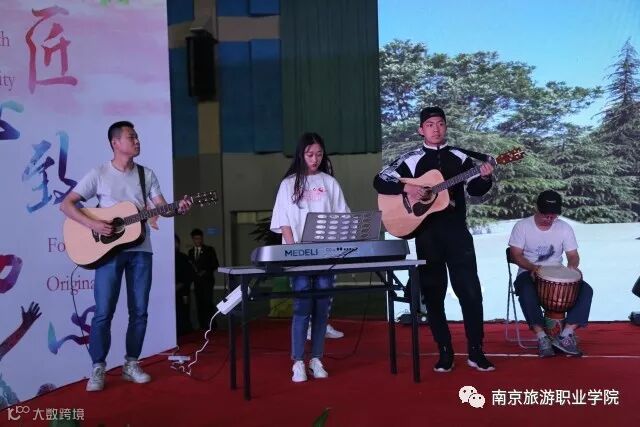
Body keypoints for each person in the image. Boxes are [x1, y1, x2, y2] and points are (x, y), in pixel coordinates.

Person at [60, 121, 192, 392]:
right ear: (115, 143)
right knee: (103, 312)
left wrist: (178, 208)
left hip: (141, 251)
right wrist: (93, 224)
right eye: (132, 137)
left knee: (139, 311)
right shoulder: (99, 174)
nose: (137, 141)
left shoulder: (146, 174)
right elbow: (67, 204)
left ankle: (131, 363)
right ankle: (98, 367)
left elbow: (162, 208)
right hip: (108, 252)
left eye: (137, 136)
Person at [373, 107, 496, 372]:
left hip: (457, 232)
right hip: (427, 234)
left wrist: (485, 177)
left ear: (446, 127)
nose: (436, 128)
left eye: (440, 123)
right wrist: (408, 187)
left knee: (470, 291)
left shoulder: (461, 157)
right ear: (421, 130)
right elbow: (380, 180)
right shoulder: (411, 158)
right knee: (433, 293)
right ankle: (445, 351)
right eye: (430, 124)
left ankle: (476, 350)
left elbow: (474, 189)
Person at [270, 132, 350, 382]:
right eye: (309, 154)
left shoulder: (330, 183)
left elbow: (343, 218)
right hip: (299, 257)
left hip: (326, 256)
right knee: (302, 308)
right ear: (301, 155)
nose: (314, 159)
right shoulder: (288, 184)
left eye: (319, 154)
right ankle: (298, 362)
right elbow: (283, 222)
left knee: (322, 309)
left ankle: (316, 359)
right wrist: (294, 252)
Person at [508, 190, 593, 357]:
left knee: (586, 290)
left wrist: (572, 268)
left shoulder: (564, 228)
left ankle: (566, 335)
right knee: (526, 290)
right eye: (546, 215)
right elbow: (515, 255)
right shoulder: (522, 226)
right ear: (537, 208)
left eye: (553, 216)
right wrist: (533, 268)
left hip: (557, 272)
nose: (549, 219)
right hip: (528, 271)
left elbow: (573, 255)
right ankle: (542, 337)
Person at [188, 228, 219, 331]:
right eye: (196, 239)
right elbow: (190, 266)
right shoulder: (190, 252)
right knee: (199, 303)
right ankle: (202, 325)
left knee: (208, 302)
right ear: (193, 239)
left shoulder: (209, 250)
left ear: (202, 238)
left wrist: (205, 271)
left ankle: (211, 324)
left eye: (199, 238)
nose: (198, 241)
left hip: (207, 281)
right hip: (197, 282)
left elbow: (215, 264)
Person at [175, 234, 194, 337]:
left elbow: (189, 275)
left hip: (182, 290)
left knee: (183, 311)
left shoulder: (183, 257)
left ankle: (184, 330)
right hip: (169, 291)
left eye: (175, 242)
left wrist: (179, 285)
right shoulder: (165, 257)